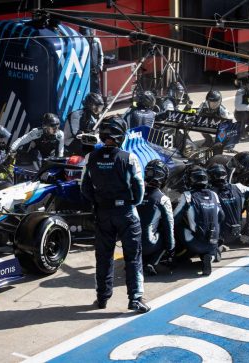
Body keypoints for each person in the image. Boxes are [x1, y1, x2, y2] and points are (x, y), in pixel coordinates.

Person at [80, 114, 150, 313]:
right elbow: (139, 190)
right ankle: (135, 299)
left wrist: (99, 203)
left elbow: (84, 188)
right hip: (126, 213)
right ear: (121, 135)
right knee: (133, 257)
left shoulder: (90, 157)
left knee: (103, 258)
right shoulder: (129, 158)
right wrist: (129, 205)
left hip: (103, 213)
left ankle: (102, 299)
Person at [173, 165, 224, 276]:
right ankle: (210, 255)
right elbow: (221, 216)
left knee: (178, 226)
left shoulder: (187, 196)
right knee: (215, 225)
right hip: (213, 241)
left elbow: (174, 219)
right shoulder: (214, 195)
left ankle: (174, 254)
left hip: (195, 243)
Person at [207, 163, 249, 246]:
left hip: (219, 235)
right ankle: (241, 237)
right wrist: (248, 204)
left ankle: (215, 247)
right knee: (244, 219)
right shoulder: (238, 187)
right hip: (236, 231)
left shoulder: (209, 193)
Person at [137, 159, 174, 276]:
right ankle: (152, 263)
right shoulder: (163, 199)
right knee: (165, 233)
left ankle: (134, 262)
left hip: (129, 242)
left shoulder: (135, 193)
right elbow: (169, 226)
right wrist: (171, 249)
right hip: (147, 244)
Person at [79, 27, 104, 94]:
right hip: (84, 72)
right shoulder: (80, 43)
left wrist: (99, 67)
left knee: (96, 90)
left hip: (94, 71)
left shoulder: (96, 41)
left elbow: (100, 55)